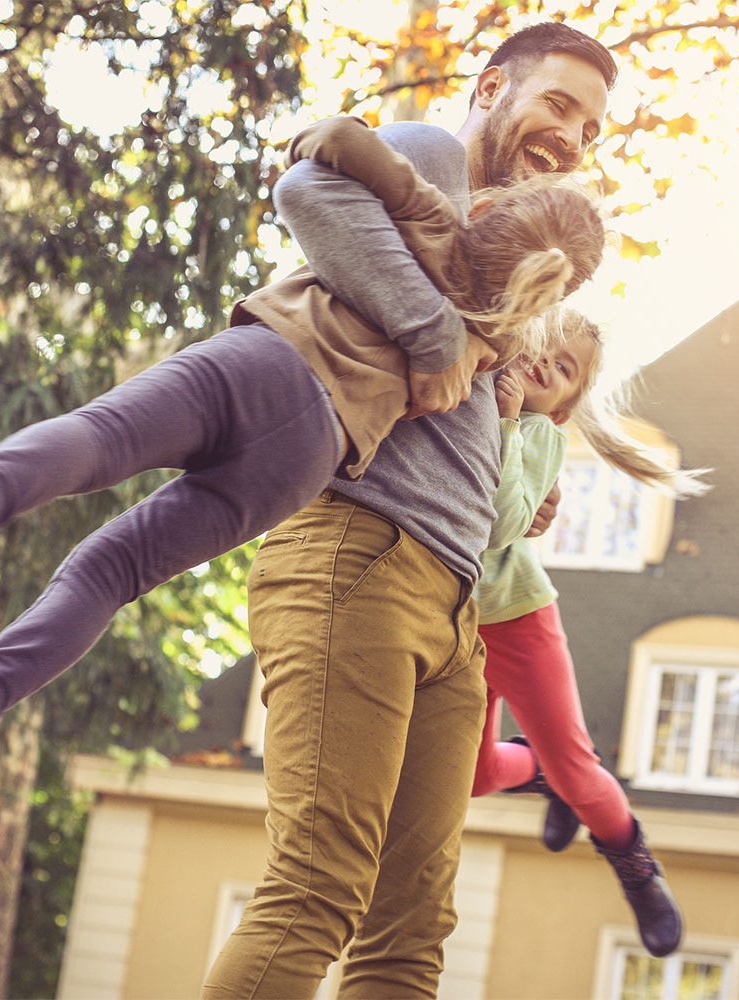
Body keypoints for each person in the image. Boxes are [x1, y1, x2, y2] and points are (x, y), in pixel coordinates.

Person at [0, 113, 605, 807]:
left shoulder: (434, 217)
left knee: (101, 438)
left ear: (491, 210)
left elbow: (330, 144)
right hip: (308, 460)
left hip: (270, 367)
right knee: (111, 572)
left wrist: (343, 149)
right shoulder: (492, 343)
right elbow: (492, 442)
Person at [201, 24, 618, 999]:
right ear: (490, 86)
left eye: (590, 130)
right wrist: (435, 335)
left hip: (453, 604)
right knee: (316, 888)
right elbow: (307, 190)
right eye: (558, 104)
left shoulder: (513, 254)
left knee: (411, 931)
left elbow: (462, 423)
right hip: (355, 555)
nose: (570, 137)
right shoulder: (427, 163)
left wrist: (517, 488)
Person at [472, 308, 707, 959]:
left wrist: (509, 418)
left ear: (564, 408)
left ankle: (639, 872)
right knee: (470, 776)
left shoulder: (539, 435)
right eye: (544, 345)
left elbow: (497, 520)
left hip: (518, 618)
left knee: (581, 773)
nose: (547, 360)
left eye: (564, 368)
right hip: (460, 629)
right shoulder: (472, 391)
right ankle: (537, 768)